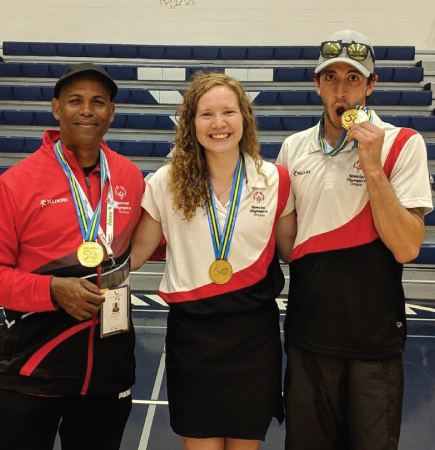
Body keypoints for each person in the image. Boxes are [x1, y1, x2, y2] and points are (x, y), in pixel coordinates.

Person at [276, 30, 434, 450]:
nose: (341, 89)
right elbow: (288, 246)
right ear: (317, 84)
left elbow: (406, 247)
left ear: (371, 85)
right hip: (308, 335)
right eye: (331, 78)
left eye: (352, 78)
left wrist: (372, 166)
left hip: (373, 339)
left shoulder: (403, 144)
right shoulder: (292, 148)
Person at [130, 71, 296, 450]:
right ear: (191, 124)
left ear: (244, 119)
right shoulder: (165, 182)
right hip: (194, 339)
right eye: (206, 114)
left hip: (254, 338)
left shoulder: (275, 180)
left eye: (228, 112)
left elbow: (291, 251)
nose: (218, 124)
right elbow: (136, 255)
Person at [0, 63, 144, 450]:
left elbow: (150, 243)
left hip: (109, 365)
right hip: (34, 364)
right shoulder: (17, 182)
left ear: (111, 112)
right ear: (57, 109)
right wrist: (51, 289)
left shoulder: (129, 176)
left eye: (98, 102)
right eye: (75, 101)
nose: (87, 110)